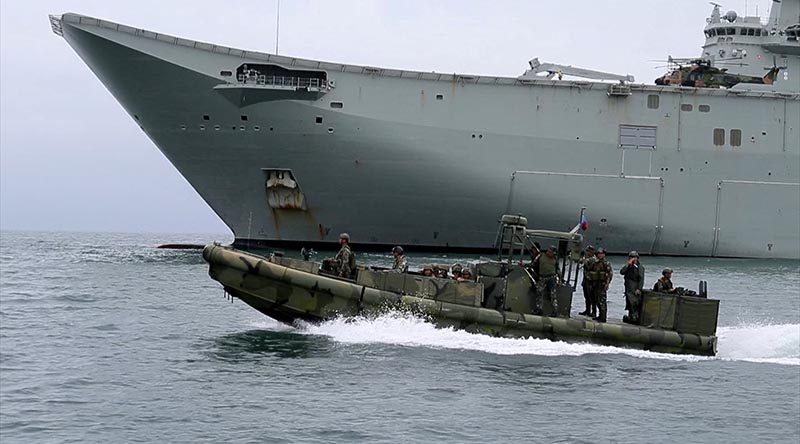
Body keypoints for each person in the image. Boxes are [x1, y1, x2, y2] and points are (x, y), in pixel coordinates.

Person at [586, 247, 612, 322]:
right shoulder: (595, 263)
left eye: (601, 254)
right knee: (596, 300)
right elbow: (589, 270)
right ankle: (599, 315)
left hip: (602, 284)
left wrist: (607, 284)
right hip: (595, 283)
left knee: (602, 301)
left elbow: (609, 274)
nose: (600, 255)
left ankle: (603, 317)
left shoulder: (606, 263)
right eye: (598, 254)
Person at [534, 246, 560, 317]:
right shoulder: (540, 256)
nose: (551, 254)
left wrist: (560, 279)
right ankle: (539, 309)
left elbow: (557, 269)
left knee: (552, 294)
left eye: (553, 253)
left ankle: (555, 311)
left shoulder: (555, 259)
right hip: (542, 277)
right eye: (550, 252)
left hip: (552, 277)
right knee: (539, 292)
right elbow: (534, 264)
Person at [620, 251, 645, 324]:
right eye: (631, 257)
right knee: (629, 303)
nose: (632, 259)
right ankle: (630, 317)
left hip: (634, 287)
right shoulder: (629, 266)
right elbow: (622, 272)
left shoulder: (639, 267)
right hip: (628, 288)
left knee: (634, 303)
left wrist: (639, 289)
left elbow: (641, 278)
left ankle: (635, 318)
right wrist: (627, 265)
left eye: (634, 257)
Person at [578, 245, 596, 317]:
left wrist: (584, 260)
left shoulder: (593, 259)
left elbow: (589, 266)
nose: (587, 252)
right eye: (587, 251)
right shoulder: (587, 258)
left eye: (589, 251)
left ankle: (594, 312)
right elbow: (580, 262)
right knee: (586, 297)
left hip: (591, 281)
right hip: (586, 280)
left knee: (592, 297)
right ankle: (587, 310)